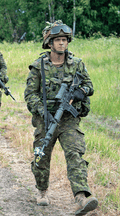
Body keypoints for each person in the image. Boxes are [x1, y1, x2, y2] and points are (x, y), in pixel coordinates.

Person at [24, 20, 98, 215]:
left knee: (75, 154)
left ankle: (81, 197)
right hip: (45, 119)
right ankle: (42, 191)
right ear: (49, 43)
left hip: (68, 120)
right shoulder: (38, 66)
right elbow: (30, 95)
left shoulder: (77, 64)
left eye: (64, 40)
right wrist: (42, 110)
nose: (62, 44)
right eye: (57, 40)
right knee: (41, 157)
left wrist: (81, 92)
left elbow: (89, 85)